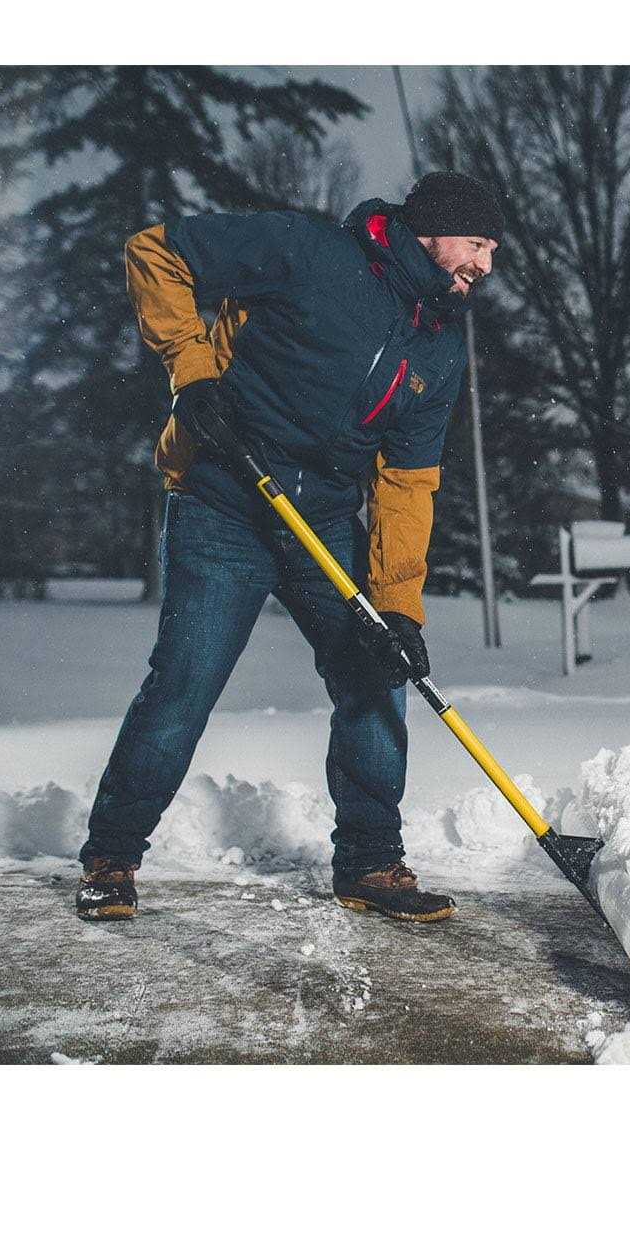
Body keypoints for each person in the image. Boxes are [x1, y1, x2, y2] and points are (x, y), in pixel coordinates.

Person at [75, 172, 503, 925]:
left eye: (492, 250)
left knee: (376, 677)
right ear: (433, 230)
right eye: (477, 245)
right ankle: (111, 855)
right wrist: (193, 374)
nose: (486, 266)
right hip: (224, 502)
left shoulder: (436, 350)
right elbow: (155, 252)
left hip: (326, 525)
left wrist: (399, 609)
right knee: (185, 683)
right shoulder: (309, 253)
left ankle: (370, 862)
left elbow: (406, 483)